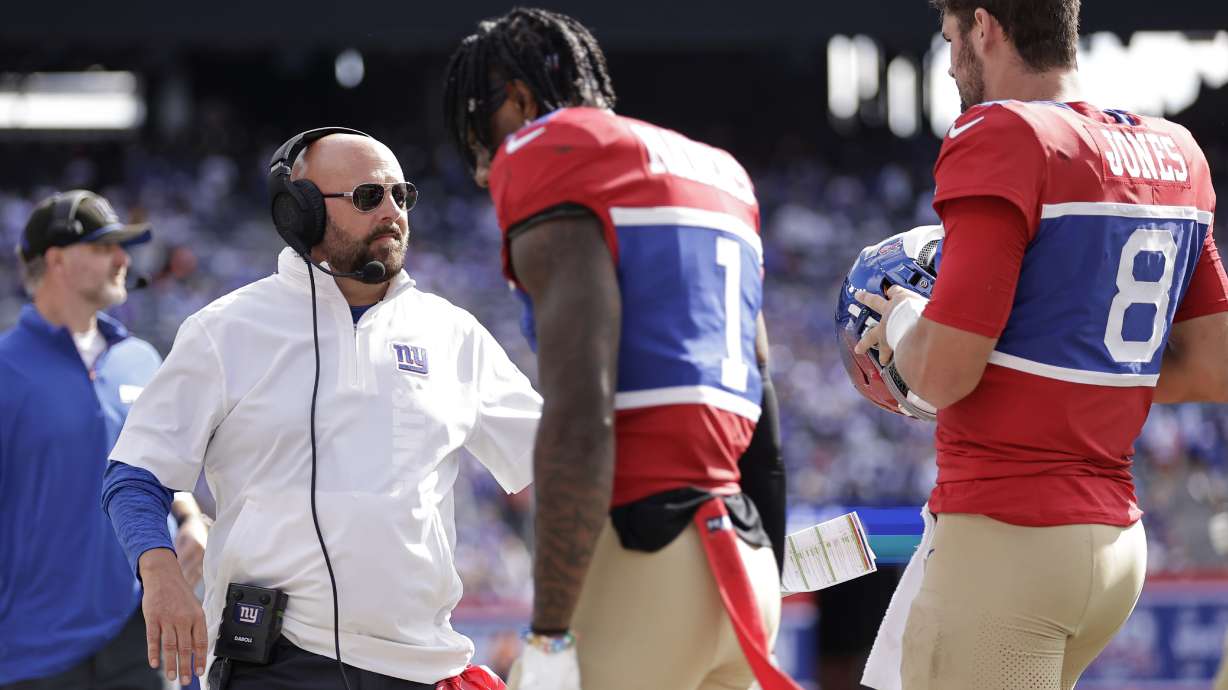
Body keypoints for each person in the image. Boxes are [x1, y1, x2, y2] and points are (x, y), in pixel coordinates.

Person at [851, 0, 1228, 688]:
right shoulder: (1178, 152)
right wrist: (1049, 357)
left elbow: (941, 374)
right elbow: (1212, 366)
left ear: (985, 27)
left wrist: (900, 319)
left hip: (1008, 536)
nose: (951, 58)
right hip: (1113, 542)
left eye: (950, 36)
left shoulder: (1001, 134)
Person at [100, 129, 539, 690]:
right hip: (277, 659)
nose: (392, 211)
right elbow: (135, 475)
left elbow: (557, 461)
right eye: (367, 197)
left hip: (424, 664)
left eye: (400, 195)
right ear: (299, 210)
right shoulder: (224, 330)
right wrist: (159, 573)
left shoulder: (454, 334)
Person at [444, 8, 793, 690]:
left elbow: (581, 414)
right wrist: (764, 584)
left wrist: (548, 633)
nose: (485, 167)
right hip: (742, 565)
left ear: (516, 101)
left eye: (478, 130)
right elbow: (765, 414)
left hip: (641, 556)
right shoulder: (720, 172)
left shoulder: (550, 152)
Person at [0, 190, 208, 690]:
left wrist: (189, 515)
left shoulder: (141, 358)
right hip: (30, 647)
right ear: (56, 260)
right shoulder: (5, 368)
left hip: (137, 634)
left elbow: (155, 470)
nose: (123, 259)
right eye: (102, 247)